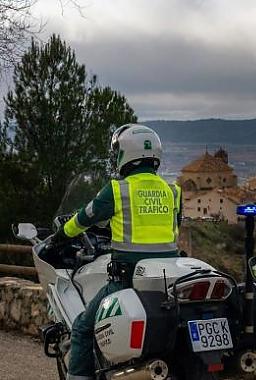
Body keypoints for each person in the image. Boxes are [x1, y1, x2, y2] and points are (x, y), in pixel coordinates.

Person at [50, 124, 181, 380]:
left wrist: (60, 236)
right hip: (167, 282)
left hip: (126, 280)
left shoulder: (118, 190)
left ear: (125, 154)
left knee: (82, 329)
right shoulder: (172, 191)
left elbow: (84, 218)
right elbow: (171, 227)